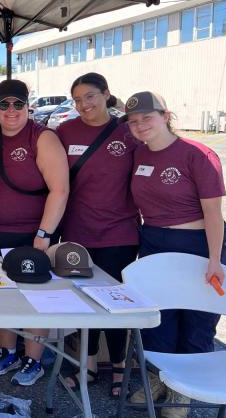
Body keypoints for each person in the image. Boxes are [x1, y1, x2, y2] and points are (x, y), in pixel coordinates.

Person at [125, 91, 226, 417]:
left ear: (165, 115)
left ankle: (180, 393)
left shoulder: (197, 154)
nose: (141, 125)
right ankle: (159, 379)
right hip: (156, 242)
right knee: (158, 318)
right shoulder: (139, 154)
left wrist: (214, 259)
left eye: (147, 117)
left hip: (199, 242)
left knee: (197, 319)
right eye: (133, 121)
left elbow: (213, 212)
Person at [0, 80, 69, 387]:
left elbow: (59, 189)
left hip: (32, 235)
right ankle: (8, 352)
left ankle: (34, 359)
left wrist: (43, 234)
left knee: (34, 298)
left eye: (18, 104)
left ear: (27, 106)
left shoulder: (42, 137)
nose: (11, 111)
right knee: (0, 295)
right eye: (4, 104)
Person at [56, 73, 140, 396]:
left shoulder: (127, 131)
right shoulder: (64, 131)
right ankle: (87, 365)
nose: (83, 105)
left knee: (115, 303)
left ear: (106, 94)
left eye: (90, 96)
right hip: (78, 232)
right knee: (83, 301)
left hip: (120, 233)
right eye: (77, 100)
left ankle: (120, 368)